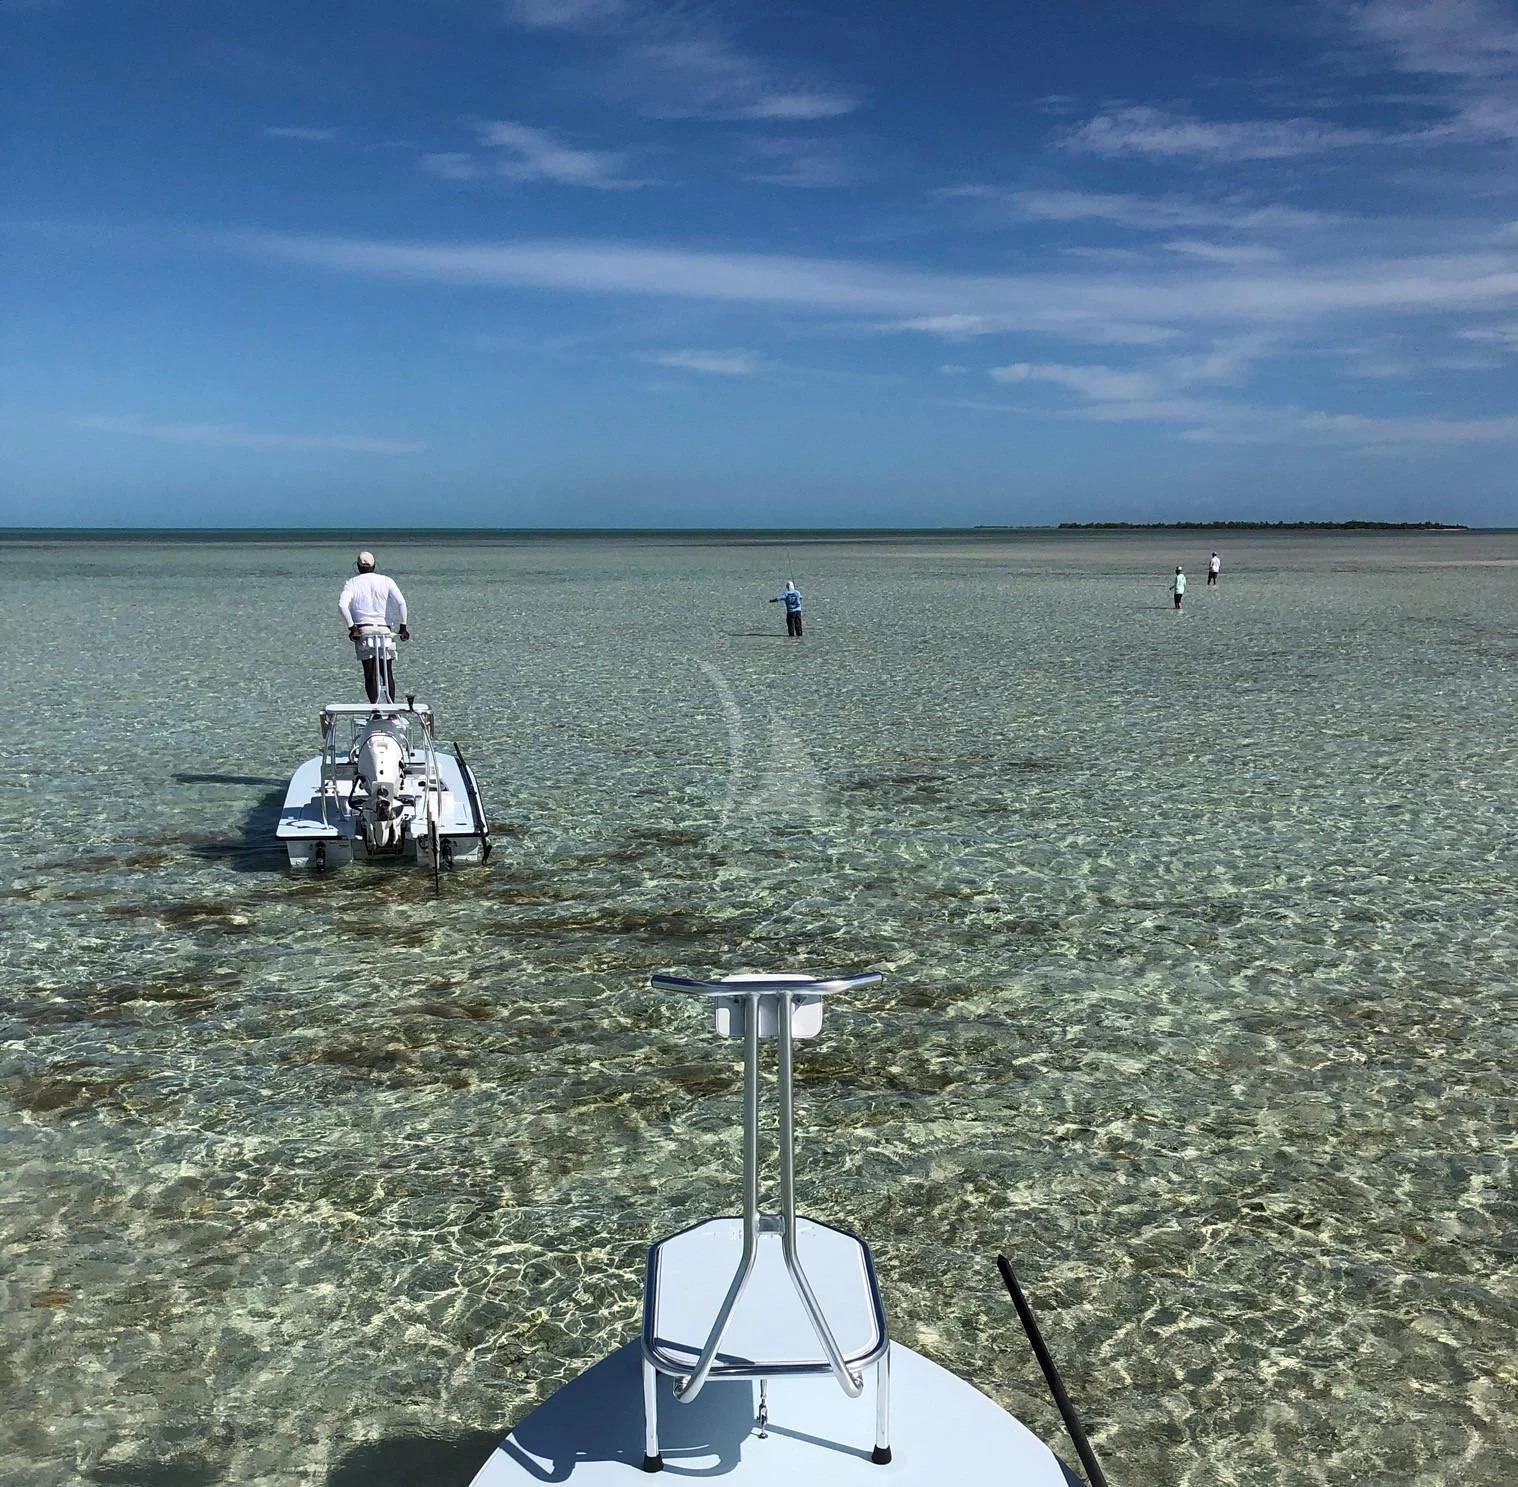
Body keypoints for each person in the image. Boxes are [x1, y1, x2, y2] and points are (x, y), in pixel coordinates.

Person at [337, 550, 409, 703]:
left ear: (358, 566)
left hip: (364, 630)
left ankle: (375, 710)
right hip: (385, 630)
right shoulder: (387, 581)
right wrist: (403, 627)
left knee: (370, 674)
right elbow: (401, 603)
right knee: (387, 671)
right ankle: (391, 710)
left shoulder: (351, 583)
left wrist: (352, 628)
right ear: (374, 565)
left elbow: (342, 605)